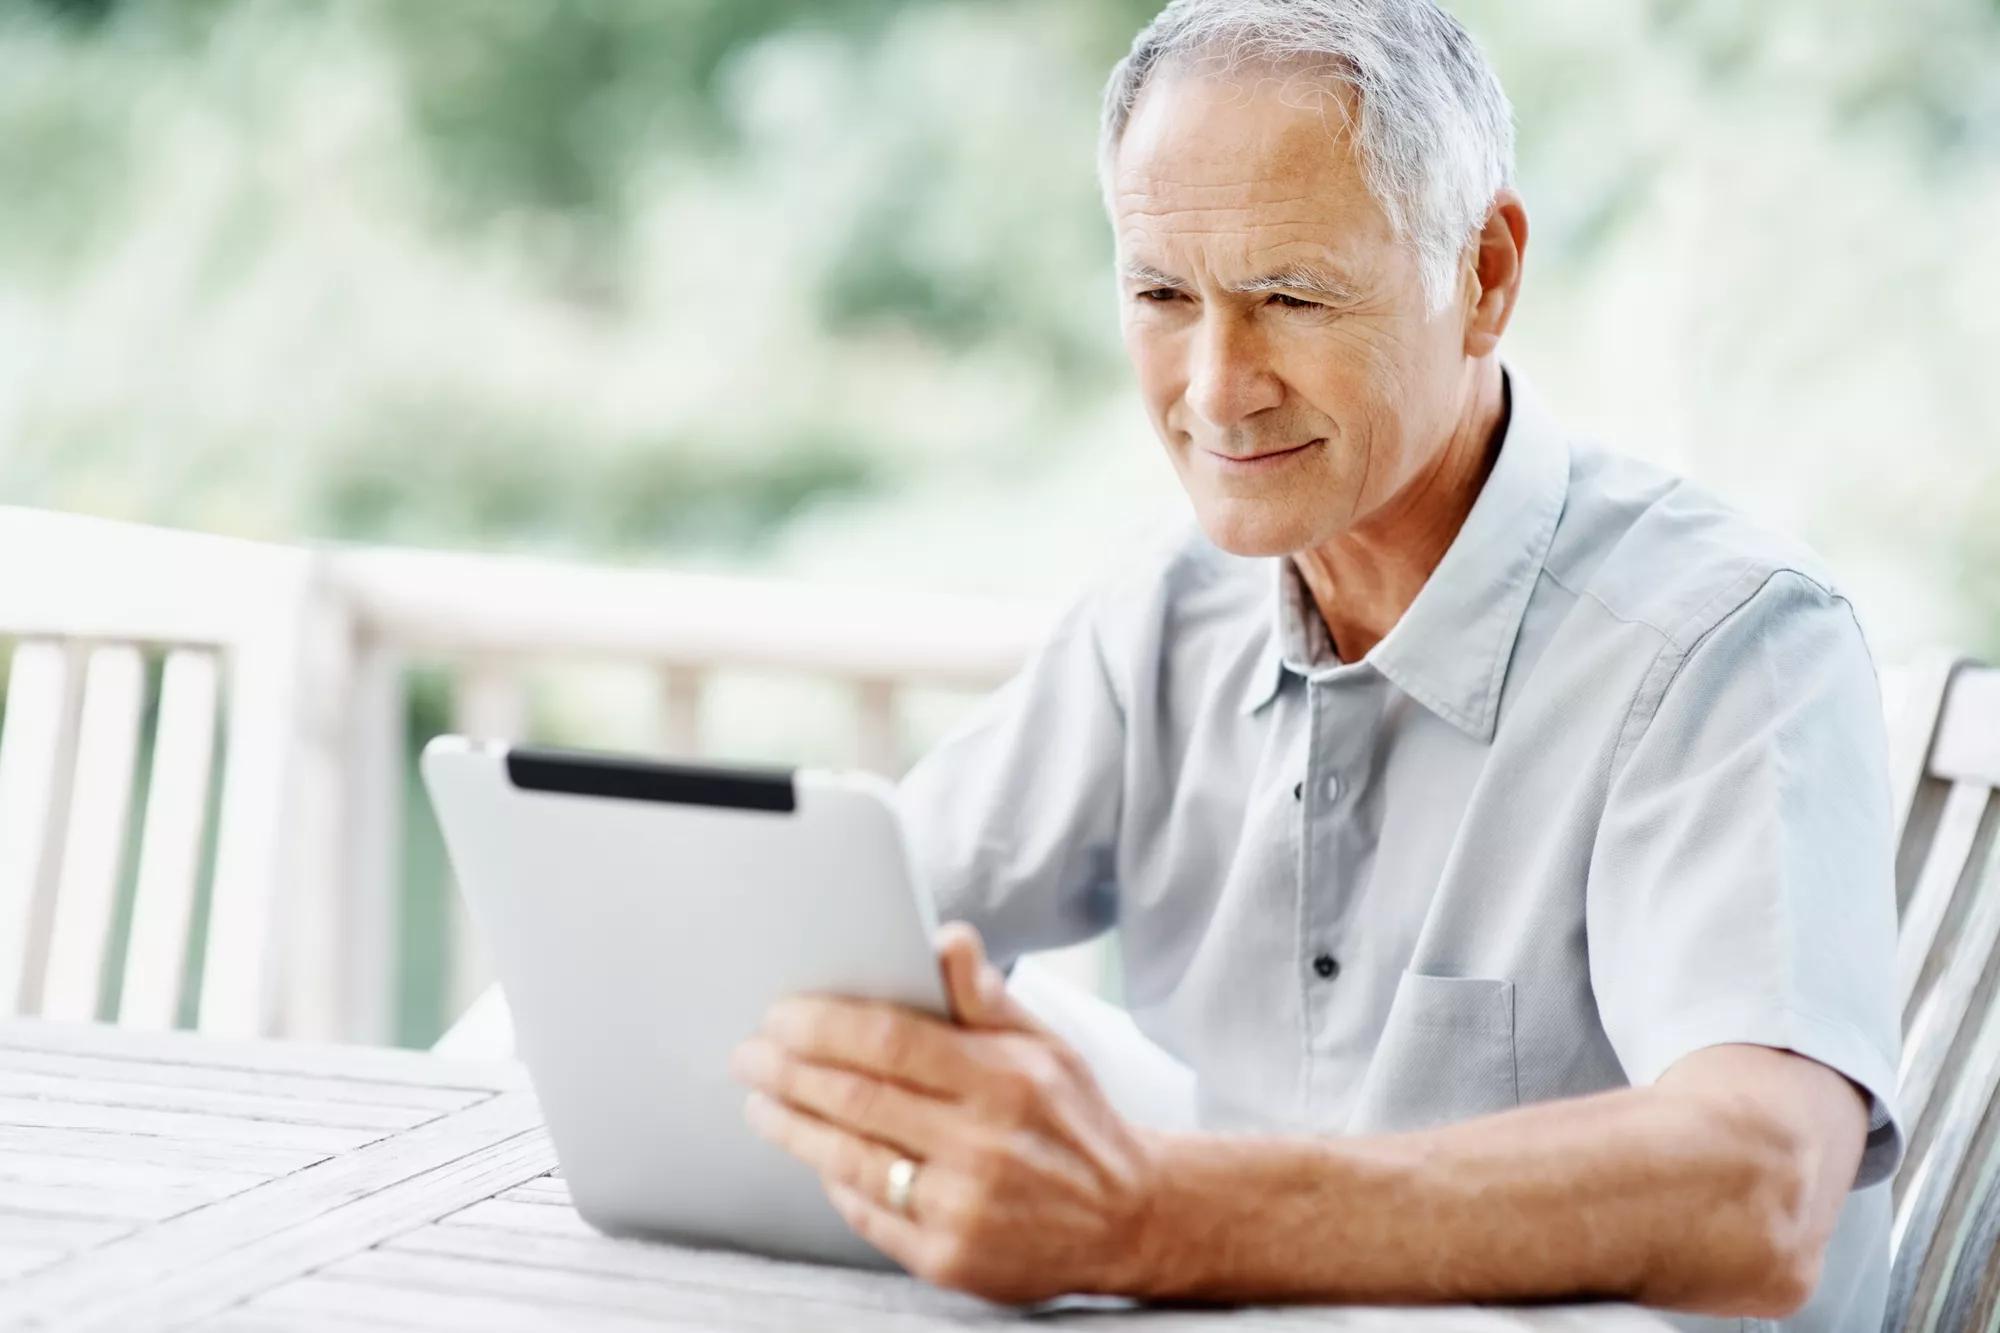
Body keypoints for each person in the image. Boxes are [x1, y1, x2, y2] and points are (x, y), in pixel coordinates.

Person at [727, 3, 1903, 1328]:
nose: (1218, 388)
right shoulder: (1170, 617)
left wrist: (1148, 1212)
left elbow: (1762, 1186)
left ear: (1488, 274)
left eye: (1290, 296)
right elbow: (823, 939)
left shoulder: (1728, 642)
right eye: (1163, 295)